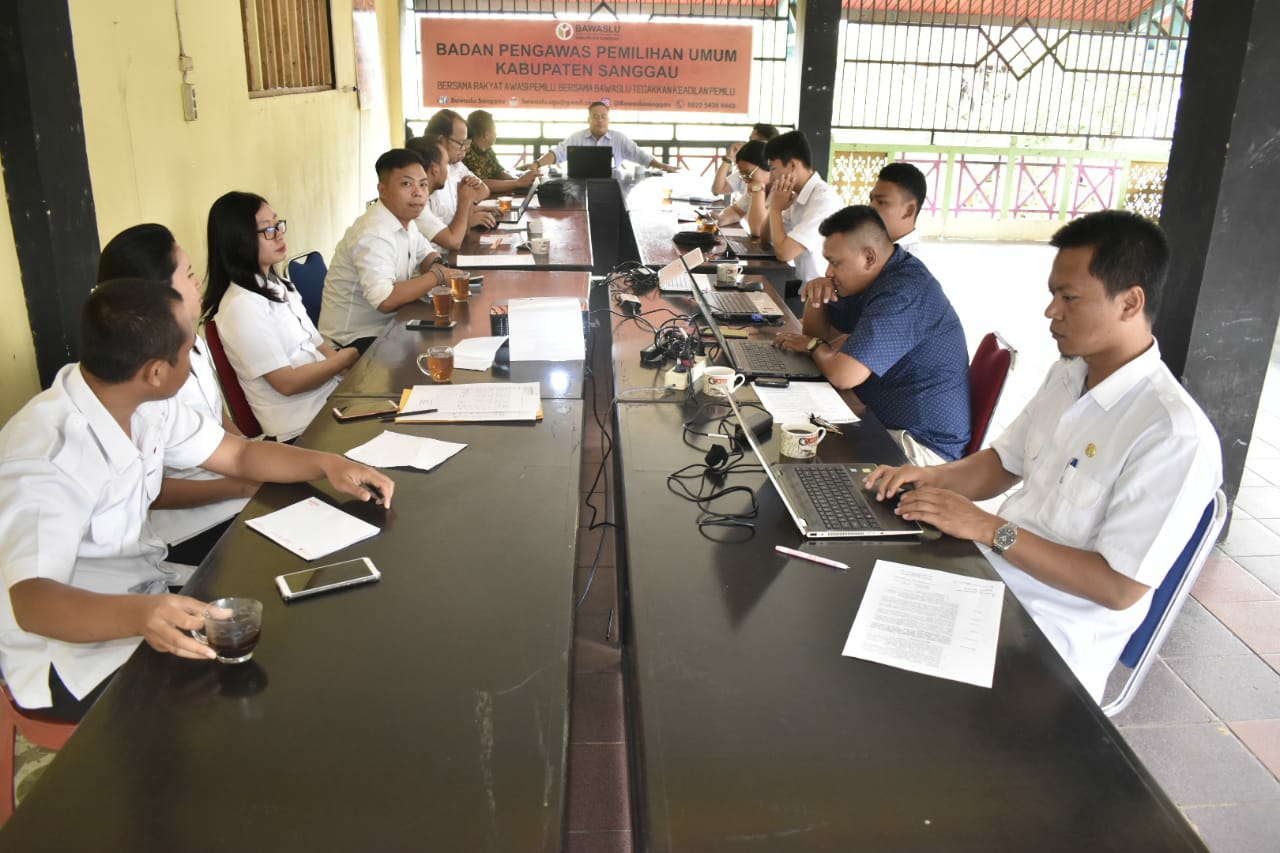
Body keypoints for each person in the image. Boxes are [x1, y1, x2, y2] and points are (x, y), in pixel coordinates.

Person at [865, 210, 1222, 702]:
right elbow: (1000, 464)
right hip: (992, 585)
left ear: (1130, 302)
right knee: (858, 587)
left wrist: (990, 529)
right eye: (1054, 294)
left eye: (1069, 297)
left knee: (879, 680)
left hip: (1049, 644)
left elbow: (1120, 588)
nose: (1051, 311)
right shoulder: (1070, 373)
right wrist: (930, 477)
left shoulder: (1172, 435)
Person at [0, 278, 395, 718]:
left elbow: (241, 454)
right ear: (155, 371)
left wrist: (325, 464)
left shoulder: (141, 400)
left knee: (291, 623)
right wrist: (141, 615)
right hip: (72, 655)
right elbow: (32, 602)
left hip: (147, 598)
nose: (195, 361)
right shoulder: (46, 459)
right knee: (248, 694)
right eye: (189, 351)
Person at [97, 224, 259, 569]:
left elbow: (221, 422)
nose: (197, 280)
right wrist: (241, 485)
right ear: (155, 295)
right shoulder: (134, 382)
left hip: (233, 487)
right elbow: (152, 492)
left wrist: (255, 459)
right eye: (187, 274)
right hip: (188, 526)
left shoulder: (189, 340)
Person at [773, 205, 970, 463]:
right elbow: (817, 333)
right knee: (792, 428)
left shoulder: (903, 291)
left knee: (796, 447)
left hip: (919, 446)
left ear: (868, 257)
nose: (829, 272)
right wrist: (817, 296)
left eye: (834, 262)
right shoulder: (877, 276)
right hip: (882, 418)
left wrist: (813, 346)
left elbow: (844, 375)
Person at [202, 191, 358, 442]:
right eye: (267, 230)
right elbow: (287, 383)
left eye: (278, 224)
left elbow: (318, 346)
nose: (279, 234)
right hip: (302, 428)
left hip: (331, 402)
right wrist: (345, 359)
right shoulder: (241, 307)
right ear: (239, 243)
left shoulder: (280, 285)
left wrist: (352, 375)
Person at [320, 148, 452, 347]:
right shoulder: (373, 232)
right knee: (438, 352)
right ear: (382, 190)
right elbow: (386, 300)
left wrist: (436, 265)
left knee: (449, 336)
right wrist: (438, 276)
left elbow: (427, 255)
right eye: (406, 184)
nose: (418, 193)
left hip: (392, 326)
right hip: (354, 340)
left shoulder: (406, 220)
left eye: (423, 185)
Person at [761, 130, 844, 283]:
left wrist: (775, 209)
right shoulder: (796, 196)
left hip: (822, 294)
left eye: (773, 168)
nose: (771, 177)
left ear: (792, 165)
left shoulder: (823, 200)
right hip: (802, 286)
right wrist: (775, 206)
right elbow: (765, 238)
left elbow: (784, 253)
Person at [522, 101, 679, 173]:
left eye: (603, 116)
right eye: (595, 116)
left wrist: (662, 166)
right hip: (580, 187)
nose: (600, 120)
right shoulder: (577, 137)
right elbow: (557, 153)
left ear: (608, 119)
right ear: (588, 120)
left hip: (612, 188)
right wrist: (537, 164)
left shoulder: (619, 138)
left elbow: (641, 155)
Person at [405, 135, 487, 252]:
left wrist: (467, 198)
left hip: (440, 261)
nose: (449, 170)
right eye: (446, 164)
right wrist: (465, 199)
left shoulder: (431, 194)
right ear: (435, 169)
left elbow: (463, 233)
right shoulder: (416, 203)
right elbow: (454, 241)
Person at [424, 109, 495, 230]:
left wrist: (471, 209)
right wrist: (467, 219)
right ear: (441, 140)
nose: (464, 150)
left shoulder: (454, 165)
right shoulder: (424, 175)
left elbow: (482, 190)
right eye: (460, 143)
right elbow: (443, 236)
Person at [463, 109, 538, 195]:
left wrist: (522, 180)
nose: (496, 134)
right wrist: (517, 183)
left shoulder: (487, 150)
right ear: (486, 135)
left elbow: (498, 172)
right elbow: (481, 183)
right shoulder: (467, 153)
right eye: (494, 130)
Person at [715, 140, 772, 238]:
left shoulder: (781, 189)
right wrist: (720, 218)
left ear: (767, 165)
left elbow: (758, 230)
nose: (746, 180)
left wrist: (758, 191)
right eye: (742, 174)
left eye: (748, 172)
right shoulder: (754, 184)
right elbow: (736, 211)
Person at [870, 162, 928, 255]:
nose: (870, 207)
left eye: (881, 202)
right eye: (871, 199)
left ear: (909, 211)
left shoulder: (911, 265)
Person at [711, 122, 780, 196]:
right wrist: (728, 158)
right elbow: (717, 189)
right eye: (750, 140)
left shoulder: (777, 183)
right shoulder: (747, 173)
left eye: (753, 141)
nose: (749, 144)